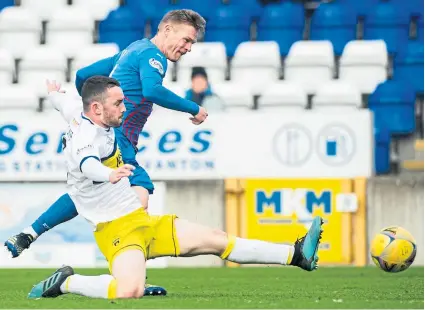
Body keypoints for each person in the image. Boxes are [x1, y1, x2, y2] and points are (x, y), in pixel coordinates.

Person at [28, 77, 323, 300]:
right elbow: (87, 164)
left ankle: (297, 256)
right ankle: (66, 281)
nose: (125, 106)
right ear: (96, 108)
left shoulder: (78, 113)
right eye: (118, 103)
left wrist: (54, 93)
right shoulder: (85, 139)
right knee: (129, 290)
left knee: (218, 240)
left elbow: (62, 102)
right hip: (116, 232)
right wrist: (108, 174)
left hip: (140, 221)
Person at [5, 9, 208, 295]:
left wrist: (92, 113)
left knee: (88, 192)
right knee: (138, 201)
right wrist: (194, 107)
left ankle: (29, 233)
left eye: (192, 44)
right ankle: (131, 281)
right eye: (186, 40)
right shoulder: (153, 56)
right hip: (119, 142)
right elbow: (152, 90)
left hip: (103, 133)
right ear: (167, 30)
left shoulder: (131, 50)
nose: (187, 48)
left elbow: (84, 76)